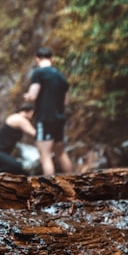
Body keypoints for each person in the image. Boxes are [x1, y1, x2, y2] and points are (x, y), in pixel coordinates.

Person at [24, 47, 74, 176]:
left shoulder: (38, 73)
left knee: (45, 155)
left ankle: (49, 191)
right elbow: (66, 101)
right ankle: (76, 185)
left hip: (45, 119)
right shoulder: (61, 77)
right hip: (59, 119)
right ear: (52, 59)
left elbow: (33, 95)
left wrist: (28, 96)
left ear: (37, 59)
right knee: (61, 153)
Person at [0, 102, 36, 174]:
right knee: (17, 167)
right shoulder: (20, 119)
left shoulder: (15, 117)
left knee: (17, 169)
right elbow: (34, 133)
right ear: (31, 112)